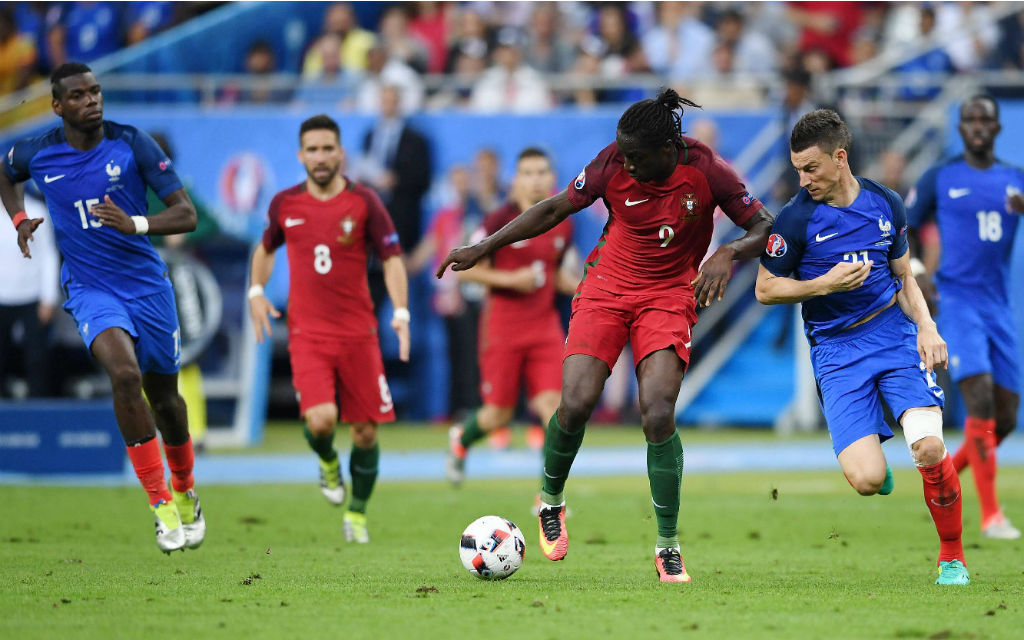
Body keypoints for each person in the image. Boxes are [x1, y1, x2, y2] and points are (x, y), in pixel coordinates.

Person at [438, 89, 773, 583]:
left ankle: (667, 545)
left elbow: (766, 226)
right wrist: (484, 246)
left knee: (658, 411)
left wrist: (728, 253)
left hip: (668, 294)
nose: (628, 165)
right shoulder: (612, 163)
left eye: (638, 157)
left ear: (668, 148)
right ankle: (550, 501)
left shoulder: (707, 170)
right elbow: (553, 209)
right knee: (575, 401)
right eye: (624, 155)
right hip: (606, 287)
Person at [755, 109, 969, 585]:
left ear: (840, 158)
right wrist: (823, 284)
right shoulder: (795, 218)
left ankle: (952, 557)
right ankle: (874, 457)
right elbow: (765, 288)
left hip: (892, 335)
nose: (803, 179)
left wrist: (927, 327)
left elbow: (904, 278)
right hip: (835, 351)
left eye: (811, 168)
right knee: (868, 481)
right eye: (798, 170)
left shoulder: (886, 202)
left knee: (931, 448)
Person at [0, 62, 205, 554]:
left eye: (96, 92)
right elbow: (6, 173)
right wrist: (21, 217)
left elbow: (186, 214)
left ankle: (184, 489)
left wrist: (135, 223)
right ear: (57, 105)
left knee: (168, 404)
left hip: (146, 286)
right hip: (91, 288)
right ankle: (160, 506)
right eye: (78, 95)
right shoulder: (38, 151)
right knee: (124, 377)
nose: (91, 101)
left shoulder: (132, 142)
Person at [248, 114, 410, 544]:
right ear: (301, 155)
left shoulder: (365, 202)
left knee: (365, 431)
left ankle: (356, 512)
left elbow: (392, 257)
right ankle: (326, 461)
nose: (320, 157)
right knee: (321, 421)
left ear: (341, 153)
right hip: (309, 334)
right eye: (312, 150)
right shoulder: (285, 203)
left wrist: (400, 311)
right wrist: (255, 291)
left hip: (359, 334)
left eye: (327, 148)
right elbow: (265, 248)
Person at [906, 94, 1024, 540]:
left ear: (996, 129)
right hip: (956, 301)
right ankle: (992, 515)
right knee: (981, 404)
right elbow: (907, 227)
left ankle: (942, 476)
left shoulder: (1014, 180)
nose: (977, 126)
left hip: (998, 306)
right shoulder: (940, 177)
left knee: (1006, 418)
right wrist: (918, 272)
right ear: (961, 128)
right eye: (969, 119)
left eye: (985, 120)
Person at [445, 147, 579, 485]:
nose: (535, 180)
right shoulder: (496, 221)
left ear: (552, 179)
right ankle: (462, 440)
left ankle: (548, 499)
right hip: (503, 326)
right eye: (528, 173)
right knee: (498, 415)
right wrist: (512, 280)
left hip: (544, 326)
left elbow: (557, 274)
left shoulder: (562, 225)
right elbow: (464, 272)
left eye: (541, 172)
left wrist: (582, 287)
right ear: (515, 180)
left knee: (555, 410)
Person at [0, 189, 58, 398]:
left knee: (36, 358)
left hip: (31, 296)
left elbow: (49, 255)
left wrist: (49, 298)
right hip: (1, 296)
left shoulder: (37, 210)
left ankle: (39, 410)